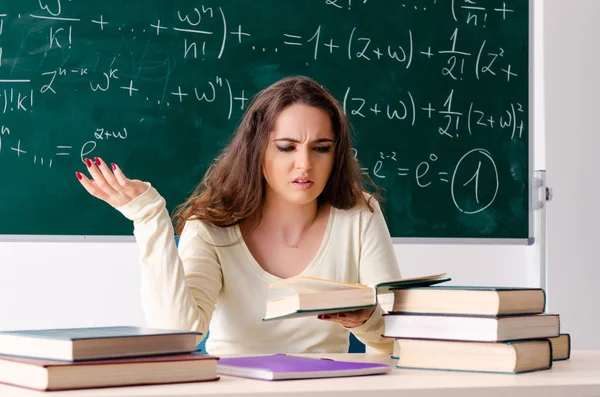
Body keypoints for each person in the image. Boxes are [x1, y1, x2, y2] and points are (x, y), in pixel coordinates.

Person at [75, 76, 401, 355]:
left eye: (321, 148)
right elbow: (176, 336)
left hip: (324, 387)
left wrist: (367, 320)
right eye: (287, 147)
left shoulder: (359, 213)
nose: (305, 164)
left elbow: (399, 339)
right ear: (257, 150)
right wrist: (149, 217)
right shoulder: (210, 228)